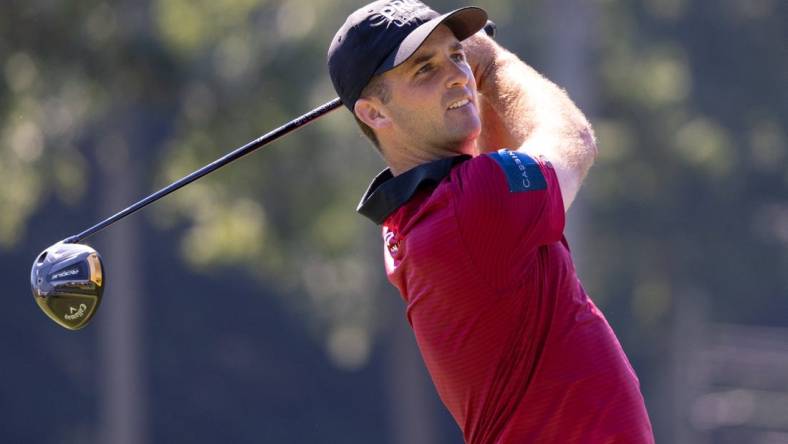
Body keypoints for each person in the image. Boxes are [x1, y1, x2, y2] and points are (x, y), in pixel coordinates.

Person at [327, 1, 655, 442]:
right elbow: (574, 139)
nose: (457, 74)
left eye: (456, 55)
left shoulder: (418, 216)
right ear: (374, 113)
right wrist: (491, 61)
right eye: (425, 69)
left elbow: (501, 158)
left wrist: (472, 78)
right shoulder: (471, 207)